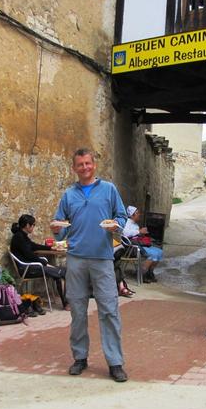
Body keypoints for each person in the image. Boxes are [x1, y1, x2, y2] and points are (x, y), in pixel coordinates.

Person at [52, 148, 129, 383]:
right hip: (75, 258)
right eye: (80, 165)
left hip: (103, 259)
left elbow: (122, 217)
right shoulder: (69, 195)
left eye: (87, 163)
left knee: (109, 310)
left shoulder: (109, 190)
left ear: (94, 165)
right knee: (77, 310)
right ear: (74, 168)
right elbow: (61, 225)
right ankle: (80, 357)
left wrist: (115, 226)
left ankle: (115, 362)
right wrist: (57, 230)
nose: (84, 168)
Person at [10, 214, 68, 311]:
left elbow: (33, 246)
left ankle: (66, 302)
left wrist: (50, 247)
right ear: (28, 225)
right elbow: (29, 255)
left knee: (62, 271)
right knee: (60, 272)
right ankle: (66, 303)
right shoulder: (18, 237)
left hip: (33, 266)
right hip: (27, 269)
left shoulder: (23, 236)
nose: (33, 227)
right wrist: (43, 262)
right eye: (33, 225)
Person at [122, 205, 163, 282]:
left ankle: (150, 272)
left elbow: (137, 236)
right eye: (137, 213)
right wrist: (139, 232)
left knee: (159, 252)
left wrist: (142, 234)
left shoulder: (136, 225)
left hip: (138, 244)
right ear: (132, 215)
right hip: (131, 248)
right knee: (153, 254)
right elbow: (125, 233)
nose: (139, 214)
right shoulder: (127, 223)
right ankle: (142, 274)